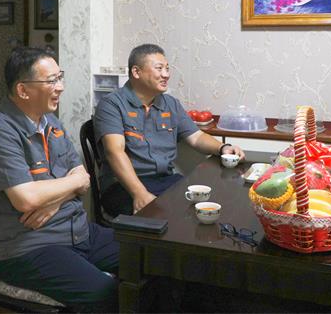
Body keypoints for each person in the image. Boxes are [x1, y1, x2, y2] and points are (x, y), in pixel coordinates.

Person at [0, 47, 118, 312]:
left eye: (60, 77)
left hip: (79, 232)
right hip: (29, 248)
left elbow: (83, 177)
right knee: (106, 293)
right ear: (23, 90)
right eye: (51, 81)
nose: (60, 87)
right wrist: (71, 186)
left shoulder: (51, 123)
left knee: (151, 257)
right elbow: (27, 199)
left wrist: (53, 201)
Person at [94, 43, 245, 217]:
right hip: (124, 185)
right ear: (136, 72)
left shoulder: (170, 104)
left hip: (165, 180)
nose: (166, 74)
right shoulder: (111, 104)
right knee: (167, 217)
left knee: (205, 206)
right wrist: (139, 194)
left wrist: (222, 148)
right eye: (159, 68)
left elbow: (196, 137)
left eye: (167, 68)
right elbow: (115, 152)